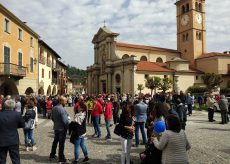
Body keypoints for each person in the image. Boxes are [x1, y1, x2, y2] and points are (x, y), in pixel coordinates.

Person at [0, 99, 25, 164]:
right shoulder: (17, 114)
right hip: (13, 139)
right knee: (15, 159)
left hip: (2, 139)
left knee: (1, 159)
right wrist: (14, 126)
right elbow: (22, 124)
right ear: (14, 106)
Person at [49, 96, 69, 163]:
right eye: (65, 101)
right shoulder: (62, 109)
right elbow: (65, 121)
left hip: (56, 127)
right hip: (61, 129)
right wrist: (68, 128)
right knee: (61, 143)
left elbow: (52, 117)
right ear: (61, 101)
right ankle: (61, 157)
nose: (66, 102)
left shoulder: (54, 108)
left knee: (55, 141)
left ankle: (52, 154)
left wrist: (56, 122)